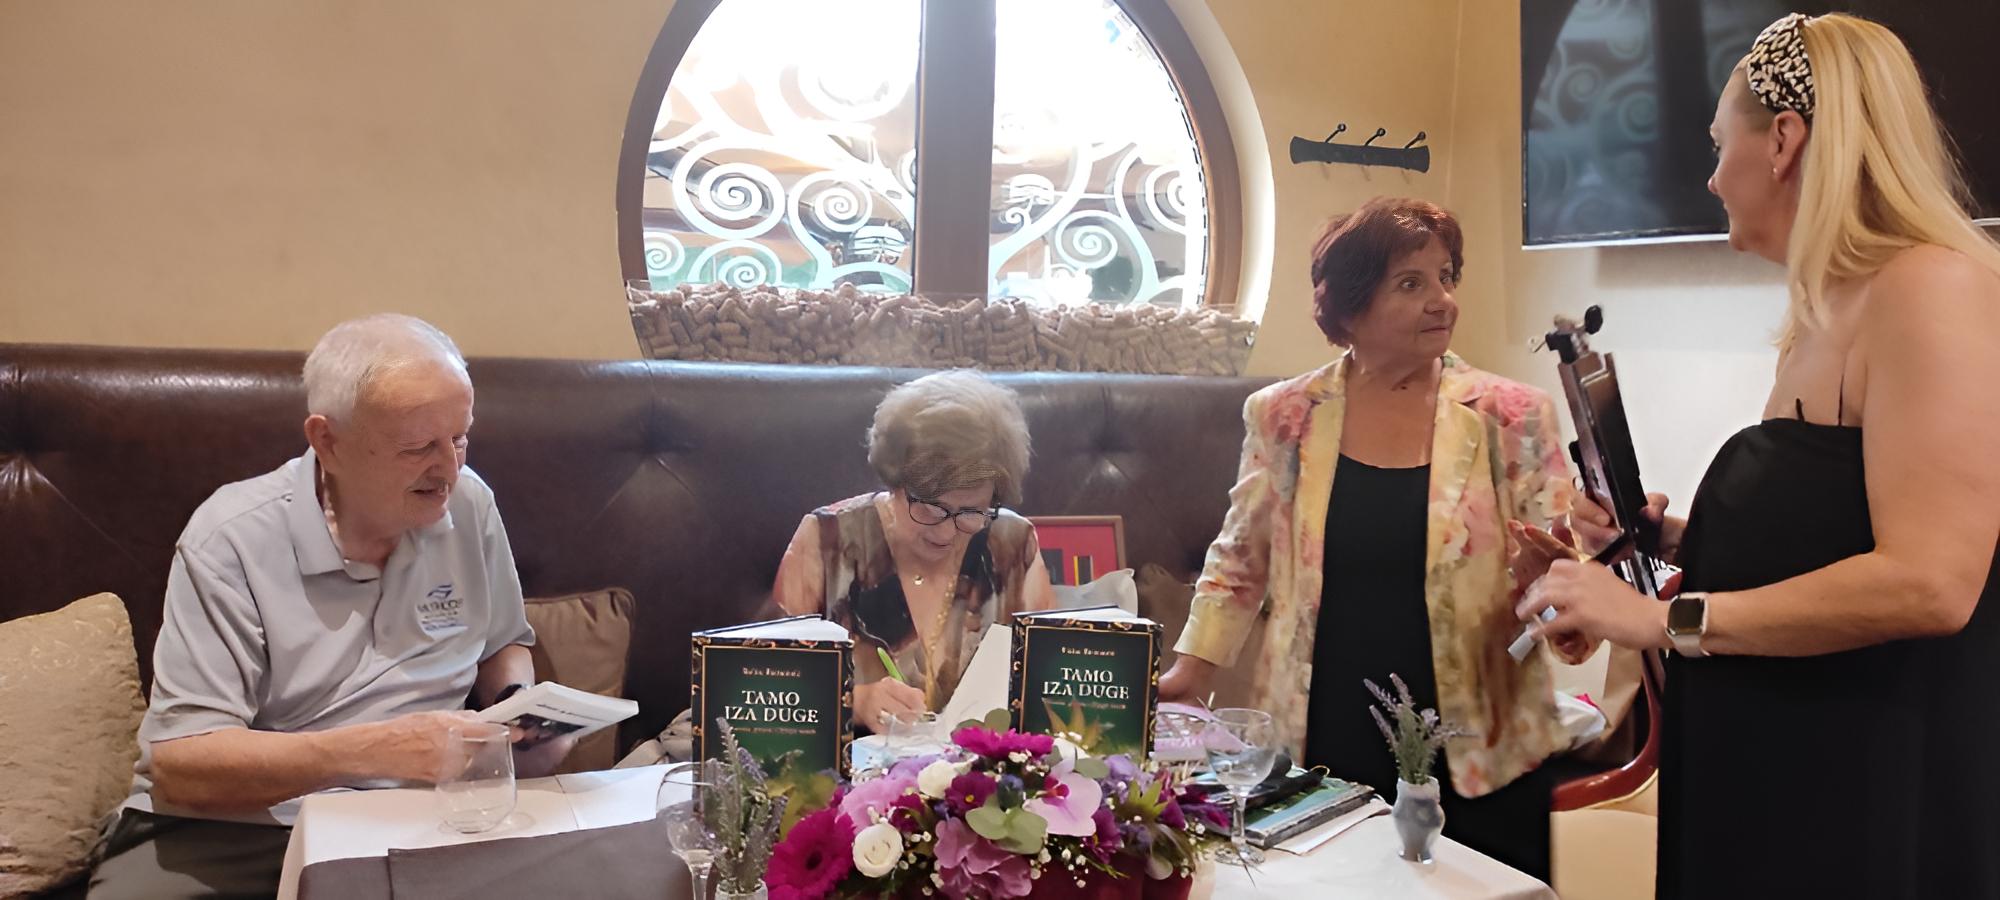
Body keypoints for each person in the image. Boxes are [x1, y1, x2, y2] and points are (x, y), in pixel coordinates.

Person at [1518, 13, 2000, 899]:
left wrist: (1665, 620)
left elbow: (1931, 581)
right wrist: (1665, 539)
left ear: (1783, 140)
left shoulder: (1934, 287)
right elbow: (1833, 536)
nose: (1710, 178)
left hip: (1858, 790)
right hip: (1770, 769)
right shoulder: (1820, 315)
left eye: (1716, 145)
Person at [1156, 197, 1590, 881]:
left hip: (1478, 737)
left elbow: (1562, 566)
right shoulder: (1284, 415)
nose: (1442, 300)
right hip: (1326, 723)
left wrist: (1572, 578)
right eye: (1411, 283)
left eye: (1446, 277)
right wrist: (1192, 670)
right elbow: (1239, 556)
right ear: (1350, 306)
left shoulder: (1511, 414)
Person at [89, 315, 572, 900]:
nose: (449, 469)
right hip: (237, 829)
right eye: (418, 446)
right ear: (328, 442)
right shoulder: (232, 537)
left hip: (420, 817)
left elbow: (502, 642)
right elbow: (183, 764)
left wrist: (517, 710)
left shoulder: (470, 504)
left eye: (461, 438)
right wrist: (378, 751)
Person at [772, 370, 1058, 732]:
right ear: (895, 481)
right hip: (854, 765)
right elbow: (768, 685)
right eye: (930, 508)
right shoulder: (827, 539)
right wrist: (854, 701)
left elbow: (1049, 683)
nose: (946, 532)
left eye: (970, 512)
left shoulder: (1012, 544)